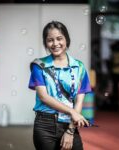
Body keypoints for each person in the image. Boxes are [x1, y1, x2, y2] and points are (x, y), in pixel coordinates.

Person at [28, 21, 92, 150]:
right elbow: (44, 97)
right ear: (46, 43)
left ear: (66, 39)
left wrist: (70, 131)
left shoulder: (79, 67)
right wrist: (71, 111)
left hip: (69, 123)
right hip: (45, 125)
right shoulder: (39, 66)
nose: (55, 43)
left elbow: (79, 102)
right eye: (50, 40)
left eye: (59, 38)